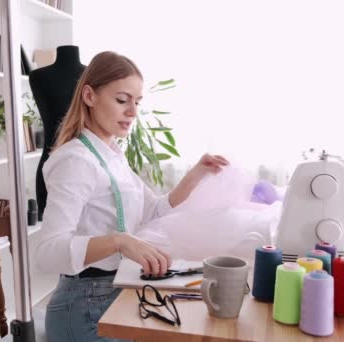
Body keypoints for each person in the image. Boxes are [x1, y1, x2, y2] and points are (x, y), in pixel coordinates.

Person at [35, 51, 229, 341]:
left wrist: (198, 172)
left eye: (137, 102)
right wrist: (120, 241)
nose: (133, 112)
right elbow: (48, 252)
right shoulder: (77, 161)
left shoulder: (111, 155)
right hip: (83, 309)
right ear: (89, 96)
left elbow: (154, 209)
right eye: (122, 100)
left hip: (112, 293)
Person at [29, 45, 86, 221]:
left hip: (85, 165)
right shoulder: (38, 77)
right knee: (54, 233)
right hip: (50, 164)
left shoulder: (92, 77)